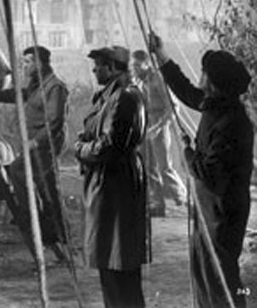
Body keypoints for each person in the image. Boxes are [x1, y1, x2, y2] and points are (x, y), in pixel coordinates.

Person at [149, 34, 252, 308]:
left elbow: (209, 173)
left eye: (204, 73)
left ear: (215, 83)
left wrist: (187, 152)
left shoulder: (232, 123)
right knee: (205, 272)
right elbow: (186, 91)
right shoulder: (217, 106)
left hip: (223, 212)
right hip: (210, 207)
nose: (200, 78)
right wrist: (161, 55)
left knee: (222, 276)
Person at [75, 46, 148, 308]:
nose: (94, 70)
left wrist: (80, 149)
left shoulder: (123, 97)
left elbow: (109, 146)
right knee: (113, 263)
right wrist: (87, 140)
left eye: (99, 65)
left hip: (115, 186)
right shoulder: (116, 95)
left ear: (113, 67)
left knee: (118, 265)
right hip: (112, 183)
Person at [0, 45, 69, 261]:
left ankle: (35, 220)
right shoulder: (37, 85)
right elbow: (20, 95)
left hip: (46, 146)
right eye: (24, 62)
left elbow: (55, 122)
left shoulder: (55, 87)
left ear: (40, 64)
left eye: (28, 62)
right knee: (44, 187)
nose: (24, 66)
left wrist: (35, 141)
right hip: (36, 146)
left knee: (26, 176)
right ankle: (47, 227)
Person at [131, 49, 187, 217]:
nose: (135, 69)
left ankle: (182, 197)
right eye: (133, 66)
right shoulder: (137, 80)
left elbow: (173, 107)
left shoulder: (158, 79)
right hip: (144, 124)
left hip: (159, 123)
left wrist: (158, 127)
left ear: (147, 63)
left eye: (138, 65)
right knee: (148, 166)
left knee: (164, 166)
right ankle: (157, 202)